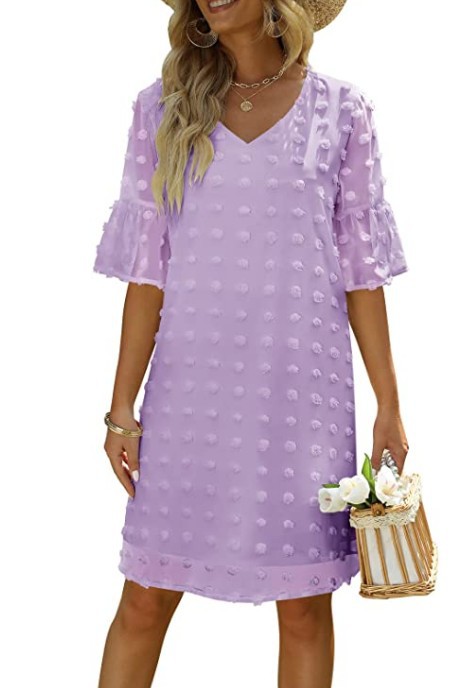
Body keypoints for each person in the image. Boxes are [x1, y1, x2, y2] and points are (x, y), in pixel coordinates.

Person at [93, 1, 410, 686]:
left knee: (304, 609)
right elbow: (148, 274)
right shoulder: (162, 109)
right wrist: (122, 407)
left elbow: (361, 274)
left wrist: (389, 405)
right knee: (143, 600)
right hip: (188, 400)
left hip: (301, 400)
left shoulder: (341, 112)